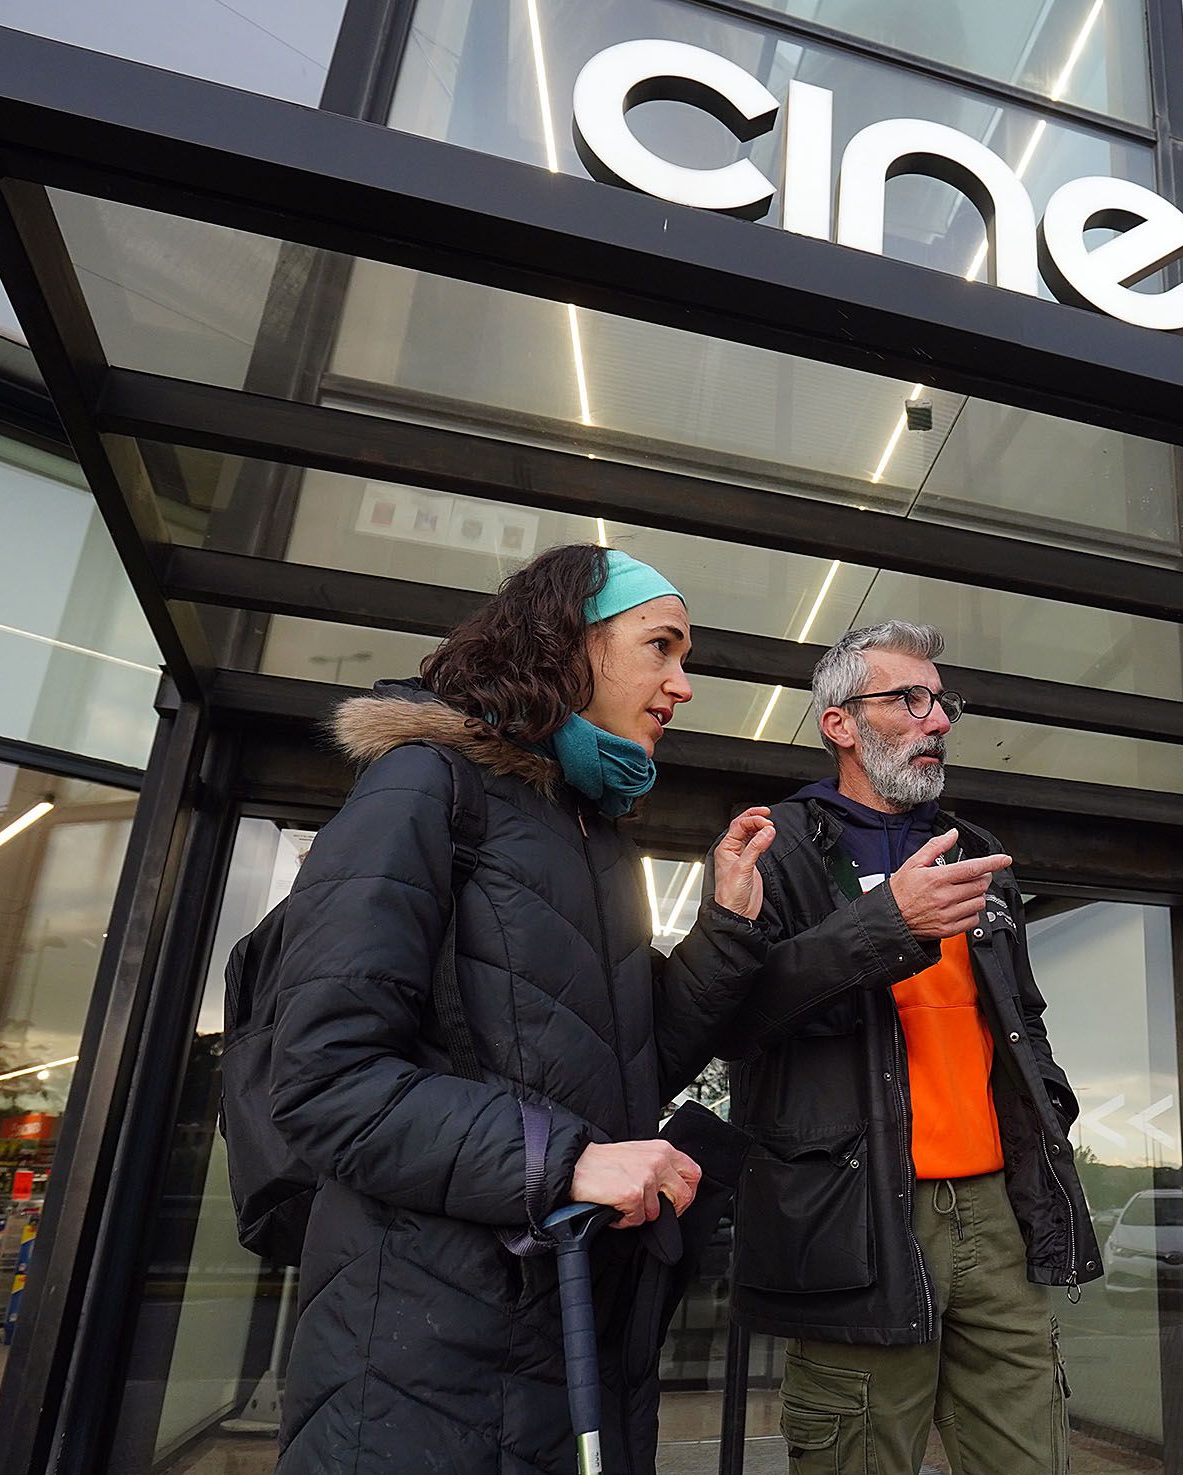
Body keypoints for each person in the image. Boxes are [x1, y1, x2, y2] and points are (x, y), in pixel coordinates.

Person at [265, 545, 777, 1475]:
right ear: (567, 642)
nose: (682, 684)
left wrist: (727, 929)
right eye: (661, 647)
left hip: (570, 1334)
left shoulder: (591, 835)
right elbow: (324, 1079)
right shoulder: (424, 783)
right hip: (426, 1365)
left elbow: (628, 1057)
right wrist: (566, 1160)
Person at [715, 620, 1099, 1475]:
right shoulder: (775, 850)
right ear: (839, 723)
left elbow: (1021, 1022)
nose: (937, 720)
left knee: (1031, 1454)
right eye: (909, 699)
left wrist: (1050, 1119)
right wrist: (888, 922)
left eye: (942, 702)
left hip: (997, 1211)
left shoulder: (977, 856)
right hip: (860, 1215)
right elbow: (736, 1018)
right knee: (856, 1452)